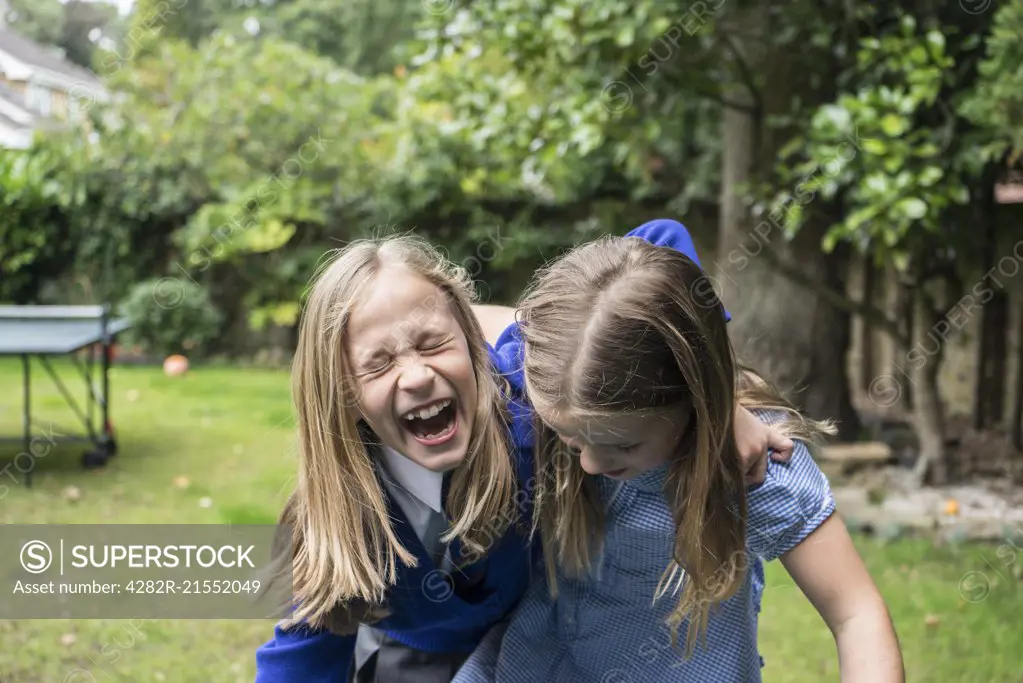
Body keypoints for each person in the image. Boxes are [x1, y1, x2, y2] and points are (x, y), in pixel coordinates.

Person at [253, 230, 795, 682]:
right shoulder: (340, 517)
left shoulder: (525, 392)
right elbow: (301, 656)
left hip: (531, 643)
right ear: (343, 395)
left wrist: (717, 395)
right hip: (412, 661)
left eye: (433, 344)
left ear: (471, 339)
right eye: (378, 364)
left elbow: (660, 240)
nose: (416, 376)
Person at [451, 220, 905, 683]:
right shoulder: (562, 382)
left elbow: (856, 615)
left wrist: (723, 398)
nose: (588, 463)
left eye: (623, 445)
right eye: (569, 440)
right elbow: (458, 320)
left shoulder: (754, 465)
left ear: (693, 400)